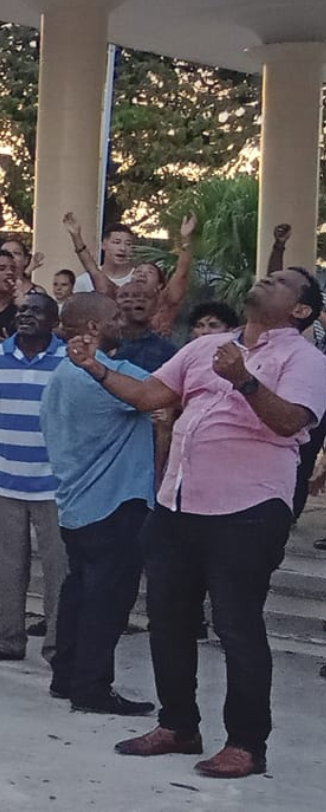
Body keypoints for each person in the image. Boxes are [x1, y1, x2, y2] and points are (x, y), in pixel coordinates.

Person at [95, 268, 326, 779]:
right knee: (169, 621)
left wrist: (244, 379)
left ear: (301, 310)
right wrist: (94, 367)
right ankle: (178, 725)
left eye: (282, 279)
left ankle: (246, 744)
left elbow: (291, 421)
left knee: (237, 627)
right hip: (178, 504)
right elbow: (148, 397)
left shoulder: (306, 359)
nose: (266, 277)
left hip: (248, 510)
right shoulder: (207, 347)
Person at [44, 294, 157, 717]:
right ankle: (91, 687)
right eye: (112, 316)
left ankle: (66, 674)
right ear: (90, 329)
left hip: (77, 503)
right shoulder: (110, 376)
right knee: (106, 601)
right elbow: (156, 396)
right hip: (114, 503)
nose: (121, 319)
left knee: (79, 592)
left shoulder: (59, 374)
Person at [0, 292, 69, 666]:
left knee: (59, 570)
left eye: (36, 311)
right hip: (2, 479)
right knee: (6, 566)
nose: (26, 315)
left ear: (54, 321)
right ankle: (6, 640)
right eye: (22, 309)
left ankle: (58, 645)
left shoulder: (69, 360)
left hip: (56, 484)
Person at [111, 281, 177, 373]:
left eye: (146, 296)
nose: (137, 300)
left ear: (156, 306)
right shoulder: (100, 344)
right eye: (125, 296)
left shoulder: (167, 351)